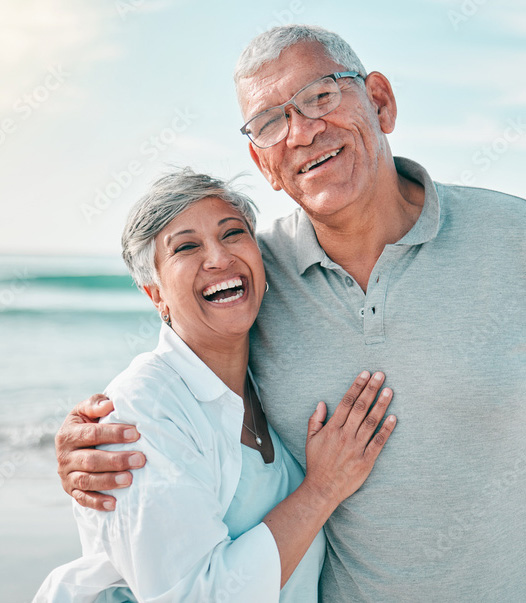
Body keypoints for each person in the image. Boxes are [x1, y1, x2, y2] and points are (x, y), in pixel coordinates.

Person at [55, 25, 526, 601]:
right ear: (263, 162)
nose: (303, 131)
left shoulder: (513, 239)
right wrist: (92, 448)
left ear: (380, 102)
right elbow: (178, 379)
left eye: (321, 96)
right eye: (271, 121)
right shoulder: (253, 272)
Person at [35, 169, 396, 602]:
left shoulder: (266, 380)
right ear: (155, 294)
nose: (219, 258)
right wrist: (322, 490)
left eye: (232, 234)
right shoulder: (141, 411)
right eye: (187, 246)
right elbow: (194, 596)